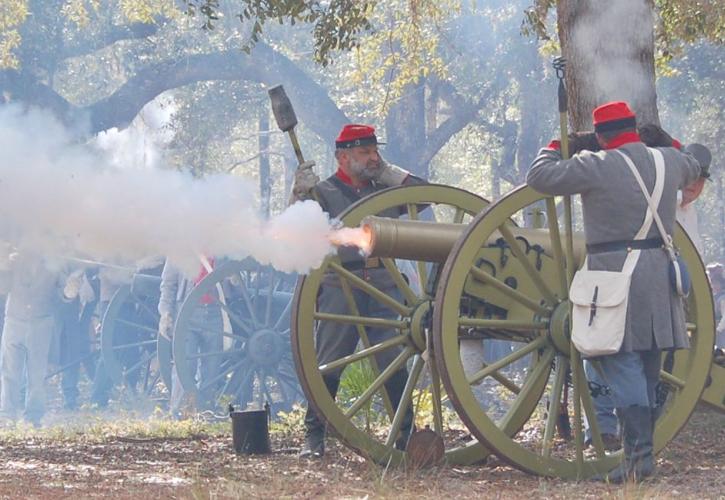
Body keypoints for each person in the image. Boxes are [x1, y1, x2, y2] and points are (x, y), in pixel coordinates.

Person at [527, 101, 700, 482]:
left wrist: (562, 143)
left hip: (614, 277)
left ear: (601, 137)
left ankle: (639, 461)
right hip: (659, 276)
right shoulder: (666, 161)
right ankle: (641, 455)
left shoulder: (598, 165)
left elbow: (539, 176)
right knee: (649, 368)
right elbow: (694, 158)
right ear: (635, 130)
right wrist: (663, 138)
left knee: (620, 363)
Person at [292, 124, 424, 458]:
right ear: (343, 156)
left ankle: (405, 437)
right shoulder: (322, 193)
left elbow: (423, 195)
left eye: (374, 151)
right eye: (365, 152)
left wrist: (390, 172)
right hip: (341, 284)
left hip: (383, 283)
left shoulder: (385, 189)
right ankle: (314, 437)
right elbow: (293, 229)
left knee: (393, 362)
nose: (373, 158)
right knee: (329, 362)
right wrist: (298, 194)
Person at [0, 250, 77, 427]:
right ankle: (7, 415)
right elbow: (3, 288)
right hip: (14, 320)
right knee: (10, 373)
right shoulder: (13, 261)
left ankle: (33, 418)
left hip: (41, 324)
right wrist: (3, 267)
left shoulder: (55, 264)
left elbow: (64, 294)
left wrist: (70, 291)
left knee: (37, 374)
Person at [158, 256, 223, 416]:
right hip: (187, 313)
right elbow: (168, 284)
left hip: (216, 311)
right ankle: (179, 413)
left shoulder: (222, 248)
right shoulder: (180, 249)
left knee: (212, 367)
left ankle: (206, 410)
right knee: (185, 364)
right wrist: (165, 312)